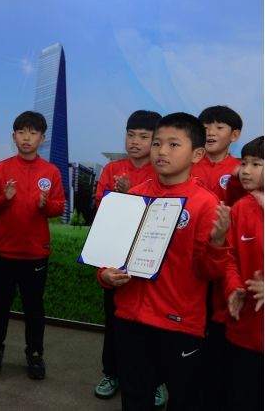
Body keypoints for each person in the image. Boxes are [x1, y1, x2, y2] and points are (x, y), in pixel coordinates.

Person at [98, 112, 230, 411]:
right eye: (157, 143)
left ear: (197, 153)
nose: (162, 151)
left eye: (173, 144)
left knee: (184, 399)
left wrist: (218, 243)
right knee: (135, 398)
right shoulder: (134, 196)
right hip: (130, 319)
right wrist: (105, 276)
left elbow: (208, 272)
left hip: (178, 325)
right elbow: (112, 257)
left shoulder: (206, 203)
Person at [0, 111, 65, 380]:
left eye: (32, 133)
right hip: (4, 250)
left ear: (42, 138)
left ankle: (35, 353)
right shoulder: (3, 168)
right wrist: (5, 199)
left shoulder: (51, 171)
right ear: (13, 137)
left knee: (34, 307)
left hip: (35, 253)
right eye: (21, 132)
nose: (26, 137)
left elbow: (59, 207)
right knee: (0, 304)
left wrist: (46, 205)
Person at [92, 110, 162, 401]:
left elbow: (161, 217)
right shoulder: (112, 169)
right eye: (130, 134)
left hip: (150, 256)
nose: (135, 141)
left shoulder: (161, 171)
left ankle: (156, 380)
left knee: (153, 325)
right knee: (115, 319)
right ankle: (112, 373)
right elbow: (101, 211)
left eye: (144, 136)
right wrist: (120, 196)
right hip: (117, 255)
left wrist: (131, 193)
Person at [192, 105, 243, 410]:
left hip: (225, 258)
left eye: (219, 127)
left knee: (217, 324)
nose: (210, 132)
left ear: (234, 135)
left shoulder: (242, 168)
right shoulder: (188, 162)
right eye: (206, 126)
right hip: (188, 258)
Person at [222, 136, 263, 411]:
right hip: (244, 327)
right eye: (244, 162)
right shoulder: (240, 207)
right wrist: (234, 288)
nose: (245, 170)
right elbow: (230, 257)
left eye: (256, 164)